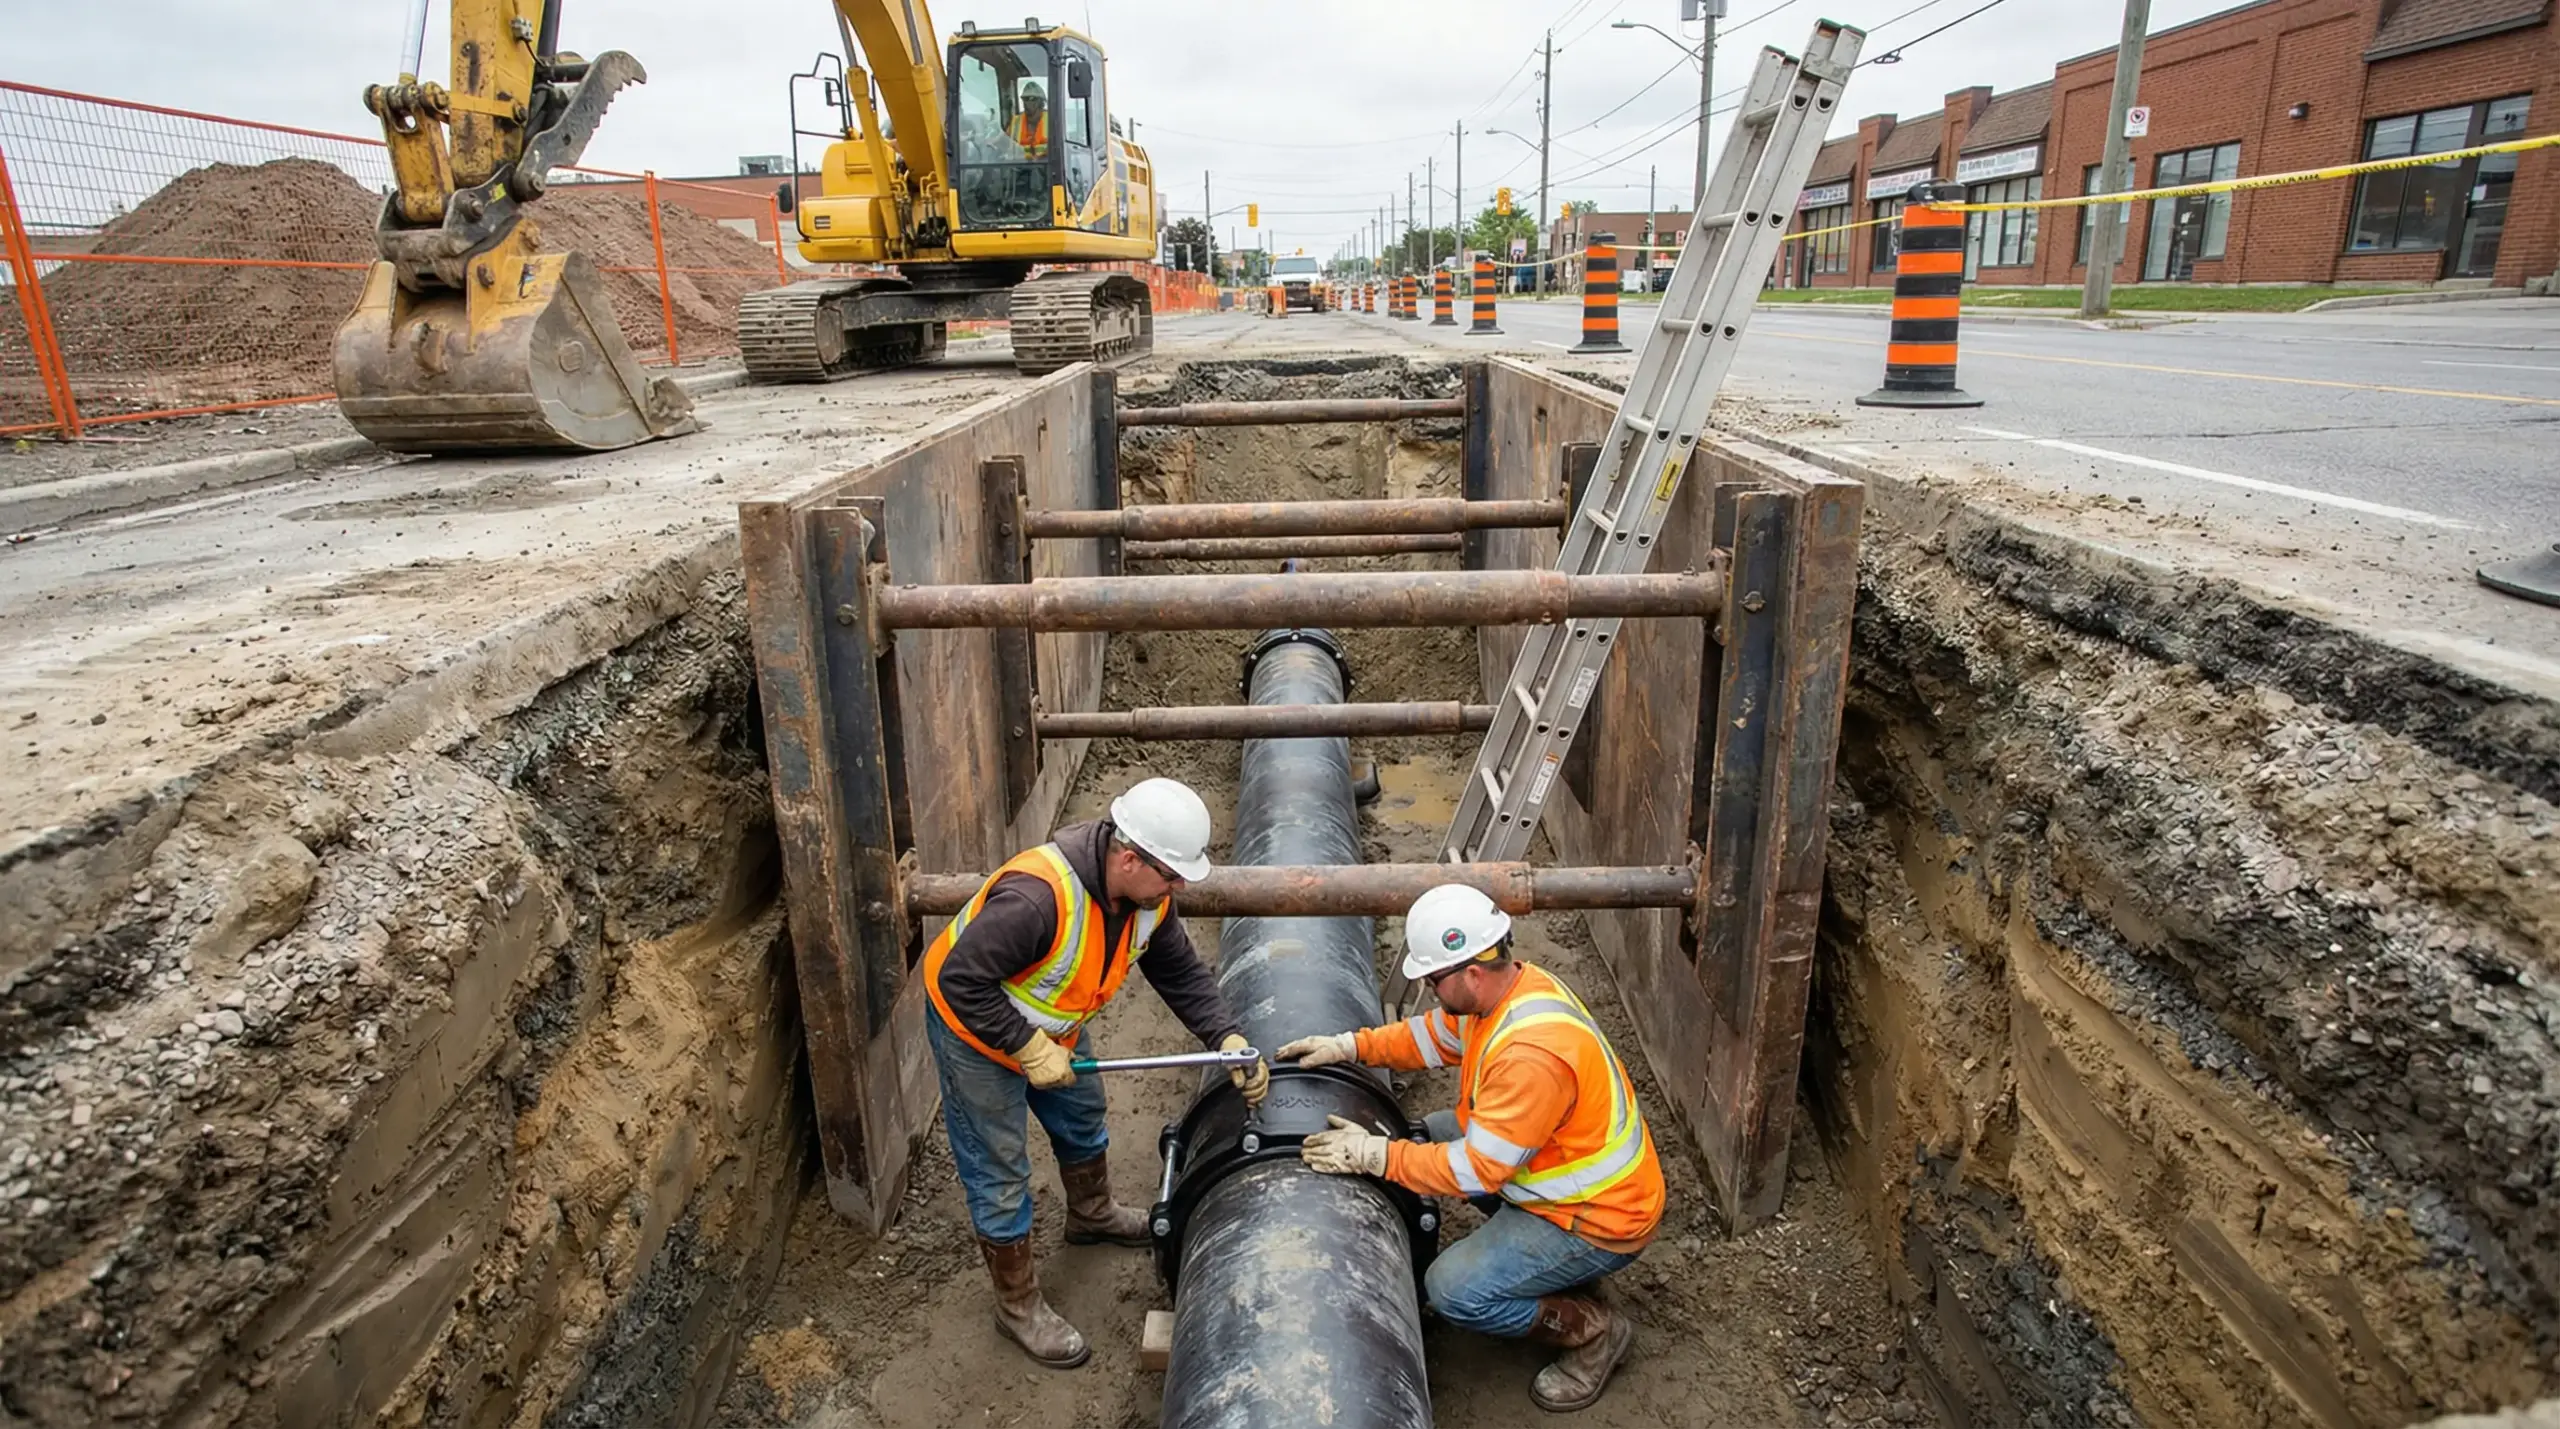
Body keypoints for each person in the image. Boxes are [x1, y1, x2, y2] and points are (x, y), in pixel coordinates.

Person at [922, 776, 1267, 1369]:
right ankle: (1017, 1306)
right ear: (1129, 858)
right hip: (975, 1034)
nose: (1179, 886)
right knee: (999, 1167)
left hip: (1053, 1028)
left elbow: (1179, 971)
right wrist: (1024, 1046)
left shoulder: (1146, 899)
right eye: (1172, 873)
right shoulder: (1037, 900)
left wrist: (1225, 1035)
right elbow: (960, 980)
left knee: (1082, 1113)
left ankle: (1091, 1214)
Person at [1279, 884, 1664, 1412]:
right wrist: (1352, 1046)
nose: (1431, 990)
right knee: (1438, 1128)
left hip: (1596, 1220)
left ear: (1471, 973)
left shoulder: (1531, 1055)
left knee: (1453, 1290)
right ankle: (1553, 1277)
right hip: (1563, 1182)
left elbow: (1478, 1172)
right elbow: (1431, 1037)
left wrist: (1376, 1156)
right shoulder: (1508, 993)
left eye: (1434, 979)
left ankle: (1593, 1331)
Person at [1009, 82, 1050, 159]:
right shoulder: (1016, 122)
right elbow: (1003, 142)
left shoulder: (1051, 120)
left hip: (1046, 167)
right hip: (1018, 167)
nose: (1025, 103)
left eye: (1030, 99)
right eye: (1024, 99)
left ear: (1040, 102)